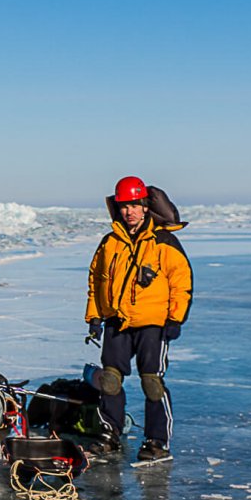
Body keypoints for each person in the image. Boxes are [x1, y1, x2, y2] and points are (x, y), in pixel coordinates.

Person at [85, 176, 193, 463]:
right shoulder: (110, 243)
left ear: (145, 206)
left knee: (152, 382)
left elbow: (181, 281)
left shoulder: (163, 241)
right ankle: (110, 434)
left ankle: (157, 442)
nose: (129, 211)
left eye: (134, 205)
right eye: (124, 206)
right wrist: (95, 316)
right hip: (117, 322)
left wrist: (175, 318)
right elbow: (96, 280)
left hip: (152, 324)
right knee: (109, 380)